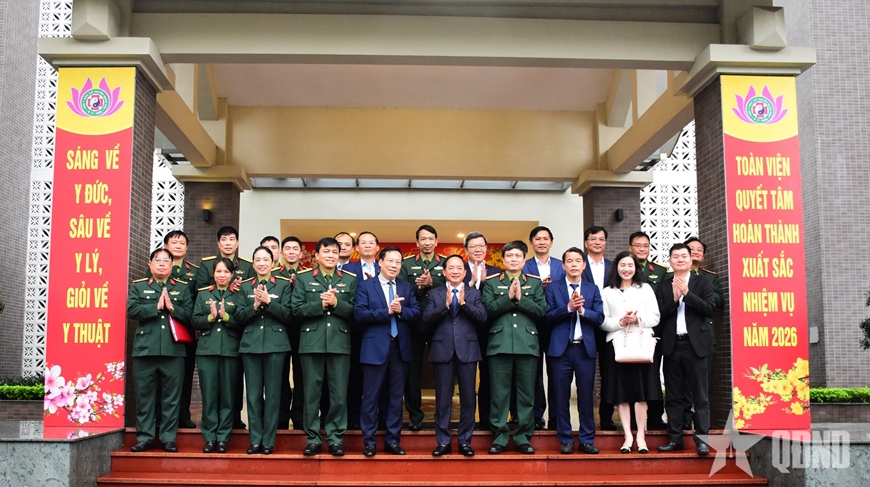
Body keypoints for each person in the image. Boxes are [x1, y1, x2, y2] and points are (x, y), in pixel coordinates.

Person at [291, 237, 358, 456]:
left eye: (334, 252)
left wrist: (336, 303)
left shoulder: (349, 280)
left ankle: (335, 438)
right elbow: (296, 309)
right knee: (311, 394)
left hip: (339, 343)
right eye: (326, 251)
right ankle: (312, 438)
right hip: (311, 343)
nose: (331, 255)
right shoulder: (303, 278)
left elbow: (356, 311)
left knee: (339, 395)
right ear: (317, 255)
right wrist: (320, 304)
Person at [355, 246, 421, 456]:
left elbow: (416, 312)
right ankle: (369, 441)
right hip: (374, 348)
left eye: (398, 262)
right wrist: (387, 311)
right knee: (370, 397)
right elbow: (359, 314)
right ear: (380, 262)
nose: (394, 265)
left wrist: (401, 311)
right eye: (390, 261)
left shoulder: (405, 286)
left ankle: (393, 440)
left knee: (395, 397)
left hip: (400, 348)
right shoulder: (366, 285)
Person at [482, 241, 547, 455]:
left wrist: (521, 300)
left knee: (526, 395)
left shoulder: (534, 283)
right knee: (499, 395)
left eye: (518, 256)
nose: (513, 259)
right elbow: (487, 310)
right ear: (503, 260)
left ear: (524, 259)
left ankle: (523, 438)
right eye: (509, 256)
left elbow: (541, 311)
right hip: (499, 345)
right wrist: (509, 299)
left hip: (527, 344)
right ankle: (499, 437)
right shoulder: (492, 282)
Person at [127, 248, 194, 453]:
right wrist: (155, 307)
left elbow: (190, 315)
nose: (162, 264)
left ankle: (168, 438)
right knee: (145, 397)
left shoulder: (182, 288)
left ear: (172, 265)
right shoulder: (139, 286)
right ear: (150, 264)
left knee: (171, 398)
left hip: (173, 351)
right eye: (158, 260)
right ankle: (145, 437)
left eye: (166, 261)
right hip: (145, 350)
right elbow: (131, 309)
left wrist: (172, 307)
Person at [422, 254, 487, 457]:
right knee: (443, 400)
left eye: (459, 268)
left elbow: (483, 317)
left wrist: (464, 303)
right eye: (451, 268)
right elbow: (426, 318)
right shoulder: (434, 293)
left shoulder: (474, 293)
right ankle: (443, 442)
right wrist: (446, 305)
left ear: (465, 272)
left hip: (467, 350)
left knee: (468, 399)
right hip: (443, 351)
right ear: (444, 272)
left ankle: (465, 441)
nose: (455, 271)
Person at [655, 244, 716, 456]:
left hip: (695, 345)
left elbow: (710, 309)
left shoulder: (703, 282)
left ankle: (702, 440)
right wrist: (674, 299)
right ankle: (675, 439)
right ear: (670, 261)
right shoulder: (663, 286)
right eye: (675, 256)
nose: (680, 259)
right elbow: (658, 316)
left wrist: (687, 294)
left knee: (700, 395)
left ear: (691, 260)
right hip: (672, 345)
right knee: (673, 396)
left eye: (684, 256)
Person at [193, 226, 254, 430]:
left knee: (231, 390)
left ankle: (229, 427)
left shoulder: (246, 267)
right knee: (210, 392)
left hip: (232, 343)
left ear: (237, 242)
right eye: (224, 239)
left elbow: (246, 308)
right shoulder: (206, 273)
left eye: (232, 239)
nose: (228, 243)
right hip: (209, 343)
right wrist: (210, 316)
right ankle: (210, 433)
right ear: (218, 243)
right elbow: (198, 298)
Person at [600, 251, 661, 454]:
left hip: (641, 345)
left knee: (641, 394)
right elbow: (603, 321)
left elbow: (655, 317)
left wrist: (637, 319)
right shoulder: (607, 292)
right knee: (622, 394)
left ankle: (641, 436)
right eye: (622, 265)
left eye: (630, 265)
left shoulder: (645, 289)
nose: (626, 269)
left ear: (636, 268)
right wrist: (621, 321)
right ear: (616, 267)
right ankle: (627, 436)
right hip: (618, 347)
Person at [544, 247, 603, 455]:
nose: (574, 264)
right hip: (561, 350)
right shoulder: (553, 288)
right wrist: (568, 308)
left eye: (578, 260)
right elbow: (547, 316)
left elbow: (600, 317)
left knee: (586, 397)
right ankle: (565, 439)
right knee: (561, 397)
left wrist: (582, 310)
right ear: (563, 265)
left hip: (585, 349)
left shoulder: (592, 289)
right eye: (569, 261)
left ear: (584, 265)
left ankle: (586, 439)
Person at [236, 246, 293, 455]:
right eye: (257, 260)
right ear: (253, 264)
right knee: (252, 396)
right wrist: (254, 306)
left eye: (265, 259)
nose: (261, 263)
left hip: (276, 345)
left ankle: (269, 440)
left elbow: (289, 315)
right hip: (250, 345)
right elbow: (238, 317)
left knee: (273, 395)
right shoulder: (244, 286)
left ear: (273, 263)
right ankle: (255, 439)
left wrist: (269, 302)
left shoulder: (283, 285)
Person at [145, 230, 199, 429]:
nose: (178, 246)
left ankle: (182, 415)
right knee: (159, 378)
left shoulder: (195, 272)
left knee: (184, 375)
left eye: (182, 243)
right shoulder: (155, 267)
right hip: (158, 331)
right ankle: (159, 417)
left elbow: (198, 300)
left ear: (187, 247)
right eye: (174, 242)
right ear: (166, 246)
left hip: (183, 331)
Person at [192, 258, 244, 454]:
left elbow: (244, 320)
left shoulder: (238, 295)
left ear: (232, 275)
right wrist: (210, 317)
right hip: (207, 350)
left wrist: (227, 317)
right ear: (213, 274)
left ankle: (223, 437)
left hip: (231, 350)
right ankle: (209, 437)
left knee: (228, 397)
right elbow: (194, 320)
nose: (222, 275)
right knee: (209, 395)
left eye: (226, 272)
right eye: (218, 271)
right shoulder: (203, 294)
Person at [399, 224, 446, 430]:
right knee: (412, 373)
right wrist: (418, 287)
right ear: (417, 242)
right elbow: (401, 291)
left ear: (436, 241)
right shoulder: (406, 264)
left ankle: (442, 416)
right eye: (423, 239)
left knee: (442, 372)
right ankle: (415, 416)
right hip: (413, 326)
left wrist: (433, 283)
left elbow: (452, 288)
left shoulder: (446, 263)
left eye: (431, 239)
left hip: (440, 325)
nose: (427, 242)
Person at [522, 225, 565, 430]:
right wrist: (540, 287)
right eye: (537, 239)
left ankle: (556, 415)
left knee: (556, 371)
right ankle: (537, 414)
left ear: (551, 242)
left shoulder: (561, 266)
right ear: (531, 243)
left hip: (557, 324)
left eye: (545, 238)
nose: (541, 242)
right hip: (532, 324)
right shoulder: (525, 266)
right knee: (534, 372)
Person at [628, 231, 668, 431]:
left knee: (653, 375)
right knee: (633, 375)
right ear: (630, 248)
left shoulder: (660, 271)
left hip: (654, 331)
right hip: (630, 332)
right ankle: (633, 419)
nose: (642, 249)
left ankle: (655, 416)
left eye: (646, 245)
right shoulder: (626, 268)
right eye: (638, 245)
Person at [684, 236, 724, 430]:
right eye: (691, 249)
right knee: (683, 382)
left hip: (704, 334)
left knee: (704, 382)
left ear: (704, 255)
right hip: (682, 335)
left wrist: (695, 292)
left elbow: (718, 300)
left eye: (699, 250)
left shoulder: (710, 277)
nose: (696, 252)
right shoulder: (674, 275)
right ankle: (685, 419)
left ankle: (703, 424)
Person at [462, 231, 501, 430]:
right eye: (473, 246)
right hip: (464, 331)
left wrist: (485, 283)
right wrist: (473, 284)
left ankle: (486, 418)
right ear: (466, 250)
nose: (478, 249)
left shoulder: (496, 272)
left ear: (486, 248)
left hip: (489, 331)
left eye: (481, 246)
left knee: (488, 376)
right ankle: (466, 420)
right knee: (466, 377)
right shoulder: (458, 270)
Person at [343, 231, 381, 430]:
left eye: (371, 243)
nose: (367, 246)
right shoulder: (347, 269)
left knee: (379, 377)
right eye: (363, 243)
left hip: (380, 329)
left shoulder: (385, 267)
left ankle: (379, 418)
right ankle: (354, 417)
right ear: (356, 248)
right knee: (355, 376)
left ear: (377, 248)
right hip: (356, 329)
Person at [582, 225, 615, 431]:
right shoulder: (578, 264)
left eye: (601, 239)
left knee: (608, 374)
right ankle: (585, 419)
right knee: (585, 374)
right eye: (593, 239)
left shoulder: (613, 267)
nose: (597, 242)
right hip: (584, 324)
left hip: (608, 327)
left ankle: (606, 417)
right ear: (586, 243)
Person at [273, 236, 306, 430]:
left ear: (301, 253)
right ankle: (281, 415)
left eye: (295, 248)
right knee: (280, 374)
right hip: (280, 329)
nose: (291, 252)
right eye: (288, 248)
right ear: (281, 253)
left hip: (303, 330)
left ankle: (299, 415)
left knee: (302, 374)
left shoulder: (309, 274)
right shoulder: (273, 274)